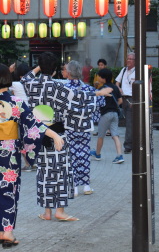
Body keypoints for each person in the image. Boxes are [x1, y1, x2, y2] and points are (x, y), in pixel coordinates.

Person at [0, 64, 64, 248]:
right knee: (9, 190)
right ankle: (7, 233)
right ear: (9, 80)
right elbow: (35, 125)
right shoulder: (16, 103)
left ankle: (0, 231)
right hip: (9, 155)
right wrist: (55, 134)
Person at [21, 52, 98, 221]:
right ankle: (60, 211)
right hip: (58, 133)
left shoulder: (31, 85)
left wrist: (40, 67)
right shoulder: (62, 88)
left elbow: (25, 78)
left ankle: (47, 212)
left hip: (39, 134)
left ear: (40, 67)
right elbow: (77, 105)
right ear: (55, 70)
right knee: (61, 171)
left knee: (44, 172)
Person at [64, 60, 108, 195]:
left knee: (71, 154)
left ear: (69, 73)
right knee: (83, 154)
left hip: (70, 126)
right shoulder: (88, 88)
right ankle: (86, 186)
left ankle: (74, 186)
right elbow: (101, 101)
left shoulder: (65, 89)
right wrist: (90, 113)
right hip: (84, 126)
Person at [91, 67, 124, 165]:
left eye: (99, 77)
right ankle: (119, 155)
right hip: (115, 114)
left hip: (106, 114)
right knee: (115, 135)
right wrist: (114, 106)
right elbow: (120, 100)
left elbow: (96, 101)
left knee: (101, 135)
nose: (98, 78)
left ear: (103, 78)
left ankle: (97, 154)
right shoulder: (115, 87)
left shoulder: (102, 89)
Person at [116, 52, 136, 153]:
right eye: (128, 58)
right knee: (128, 122)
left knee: (129, 123)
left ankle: (128, 145)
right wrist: (118, 87)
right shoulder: (123, 70)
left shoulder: (137, 71)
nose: (128, 60)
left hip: (132, 99)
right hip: (123, 98)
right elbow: (117, 82)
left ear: (135, 61)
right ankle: (131, 143)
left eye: (131, 59)